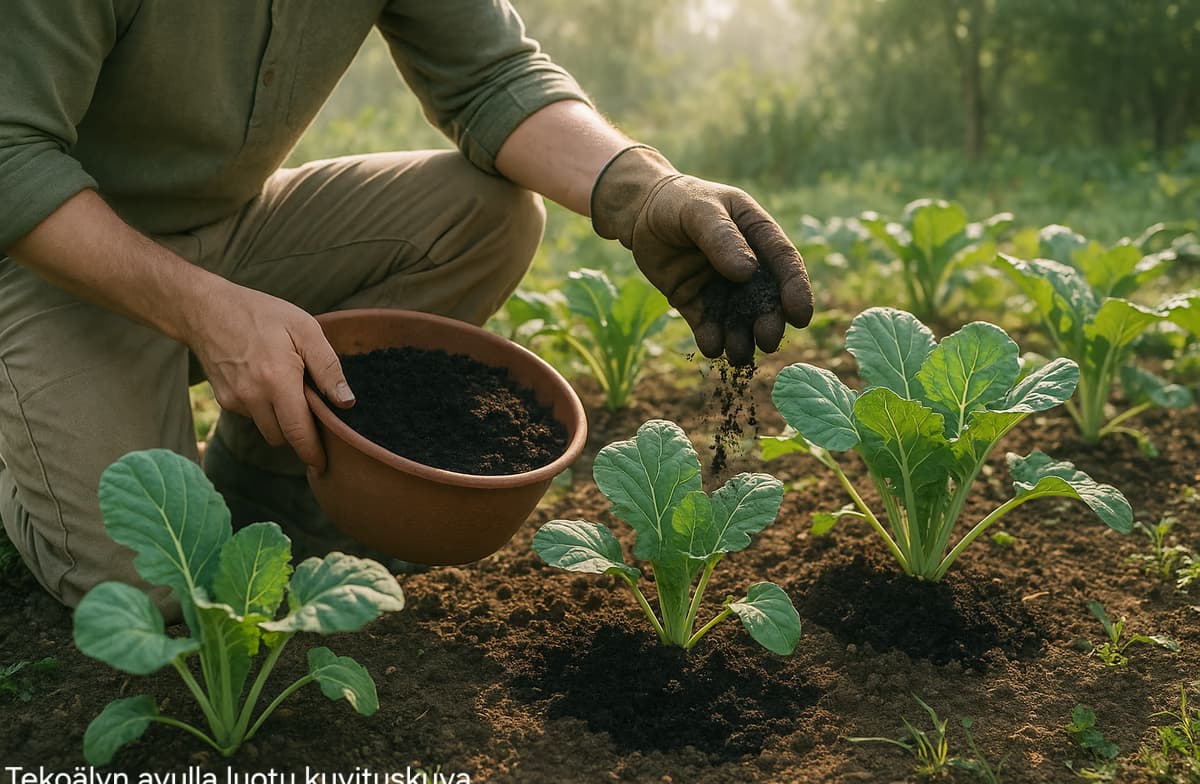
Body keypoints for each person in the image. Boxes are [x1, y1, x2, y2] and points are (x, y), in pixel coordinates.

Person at [0, 1, 813, 613]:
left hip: (225, 230)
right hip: (52, 257)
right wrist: (207, 311)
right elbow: (10, 154)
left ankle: (270, 485)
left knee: (481, 215)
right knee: (156, 587)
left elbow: (494, 75)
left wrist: (646, 193)